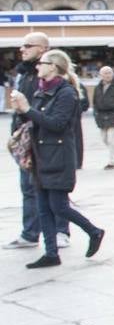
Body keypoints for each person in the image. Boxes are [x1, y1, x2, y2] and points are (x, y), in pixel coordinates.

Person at [9, 49, 104, 268]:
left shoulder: (66, 93)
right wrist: (22, 111)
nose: (37, 66)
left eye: (42, 63)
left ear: (53, 66)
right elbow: (36, 120)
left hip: (58, 156)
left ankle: (94, 231)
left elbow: (57, 124)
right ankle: (51, 253)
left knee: (59, 206)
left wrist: (27, 109)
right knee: (43, 207)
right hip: (40, 156)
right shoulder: (41, 91)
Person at [5, 31, 64, 250]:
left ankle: (61, 231)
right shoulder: (24, 74)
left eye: (27, 46)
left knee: (52, 188)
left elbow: (57, 114)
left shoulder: (50, 76)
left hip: (45, 139)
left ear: (42, 49)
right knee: (28, 187)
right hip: (26, 137)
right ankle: (30, 233)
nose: (22, 49)